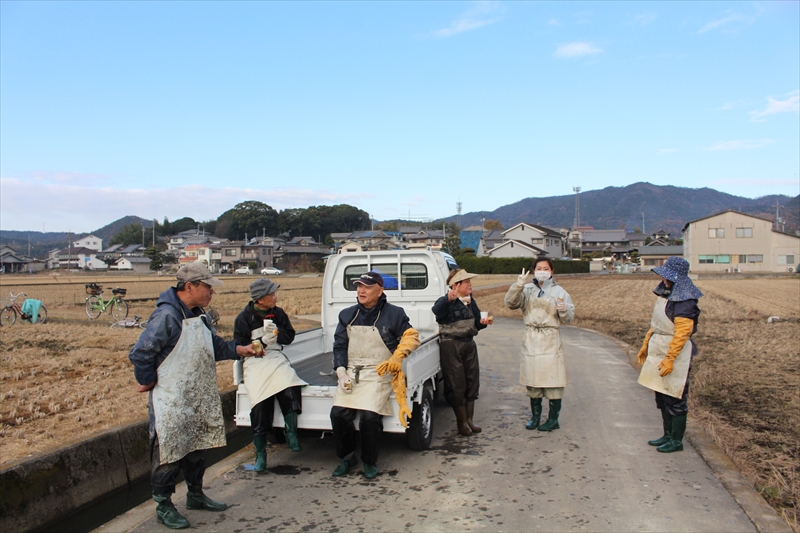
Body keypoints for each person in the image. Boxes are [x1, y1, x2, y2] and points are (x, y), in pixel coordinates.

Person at [129, 262, 257, 530]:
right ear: (190, 287)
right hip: (172, 399)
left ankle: (195, 496)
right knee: (169, 454)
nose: (212, 292)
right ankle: (164, 507)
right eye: (208, 287)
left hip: (196, 395)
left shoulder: (199, 314)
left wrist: (240, 349)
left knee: (196, 449)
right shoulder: (167, 316)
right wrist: (148, 380)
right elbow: (142, 352)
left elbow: (214, 346)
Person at [329, 271, 420, 479]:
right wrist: (341, 372)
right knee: (338, 414)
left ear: (380, 291)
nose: (361, 290)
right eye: (359, 286)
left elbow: (411, 337)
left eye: (367, 287)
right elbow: (340, 345)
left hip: (380, 371)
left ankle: (369, 461)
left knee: (370, 417)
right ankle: (347, 457)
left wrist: (397, 357)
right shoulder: (347, 315)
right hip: (353, 371)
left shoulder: (395, 314)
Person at [234, 278, 307, 472]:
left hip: (275, 357)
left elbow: (289, 336)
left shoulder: (279, 313)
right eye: (271, 294)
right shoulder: (244, 319)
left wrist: (277, 333)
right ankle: (260, 456)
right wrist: (262, 341)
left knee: (290, 384)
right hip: (255, 361)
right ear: (259, 299)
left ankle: (291, 434)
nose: (275, 297)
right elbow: (240, 346)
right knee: (259, 402)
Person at [636, 256, 702, 453]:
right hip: (659, 349)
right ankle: (667, 435)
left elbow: (682, 334)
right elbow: (656, 325)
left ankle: (676, 440)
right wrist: (646, 346)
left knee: (675, 396)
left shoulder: (684, 301)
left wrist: (670, 358)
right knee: (662, 395)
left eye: (666, 276)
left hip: (675, 353)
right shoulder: (667, 294)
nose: (663, 279)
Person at [504, 258, 575, 432]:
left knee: (553, 381)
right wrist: (517, 286)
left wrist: (563, 309)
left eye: (545, 268)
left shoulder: (560, 292)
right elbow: (510, 304)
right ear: (534, 270)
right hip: (531, 338)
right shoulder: (527, 290)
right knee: (533, 381)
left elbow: (568, 318)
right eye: (539, 268)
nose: (542, 271)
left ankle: (553, 419)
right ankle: (535, 417)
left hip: (550, 339)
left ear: (552, 271)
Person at [431, 269, 491, 436]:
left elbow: (477, 323)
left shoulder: (470, 301)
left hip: (469, 344)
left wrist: (483, 322)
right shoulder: (446, 301)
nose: (470, 284)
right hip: (451, 345)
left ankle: (470, 421)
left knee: (472, 381)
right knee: (457, 384)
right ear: (456, 285)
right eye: (467, 282)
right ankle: (462, 423)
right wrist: (448, 299)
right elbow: (436, 311)